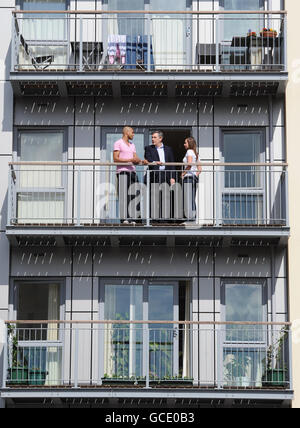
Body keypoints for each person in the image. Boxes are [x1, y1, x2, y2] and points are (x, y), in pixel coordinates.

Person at [113, 127, 143, 224]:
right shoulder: (118, 143)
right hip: (122, 172)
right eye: (132, 132)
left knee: (135, 195)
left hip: (133, 172)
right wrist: (130, 160)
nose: (133, 134)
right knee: (123, 195)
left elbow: (135, 158)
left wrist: (140, 161)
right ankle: (125, 219)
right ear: (127, 132)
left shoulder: (132, 145)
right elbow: (115, 159)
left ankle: (133, 218)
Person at [144, 131, 176, 221]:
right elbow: (148, 158)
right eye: (152, 137)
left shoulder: (168, 149)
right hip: (154, 175)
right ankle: (153, 219)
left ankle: (164, 219)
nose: (152, 139)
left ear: (160, 138)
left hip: (165, 175)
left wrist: (172, 177)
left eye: (154, 137)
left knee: (165, 198)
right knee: (154, 198)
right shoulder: (148, 148)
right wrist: (155, 162)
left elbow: (172, 163)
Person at [181, 137, 202, 223]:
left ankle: (190, 219)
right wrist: (195, 175)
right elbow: (199, 169)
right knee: (192, 199)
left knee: (188, 198)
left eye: (185, 143)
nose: (184, 144)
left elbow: (189, 164)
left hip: (188, 178)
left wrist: (184, 173)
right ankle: (193, 219)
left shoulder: (189, 151)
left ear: (189, 144)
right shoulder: (196, 154)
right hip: (193, 178)